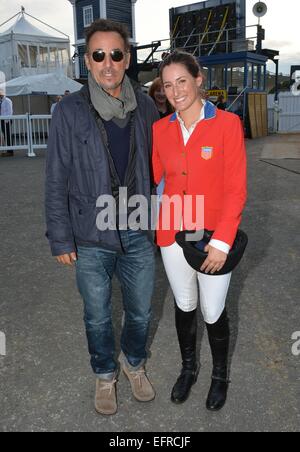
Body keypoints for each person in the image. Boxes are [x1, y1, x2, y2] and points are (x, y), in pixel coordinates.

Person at [45, 19, 159, 416]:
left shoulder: (145, 105)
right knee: (96, 316)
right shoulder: (68, 110)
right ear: (87, 61)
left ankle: (133, 364)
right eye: (98, 55)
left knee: (141, 310)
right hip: (90, 233)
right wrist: (60, 238)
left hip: (137, 229)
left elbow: (157, 167)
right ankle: (105, 374)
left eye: (115, 54)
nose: (107, 63)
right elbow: (56, 175)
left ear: (126, 59)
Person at [152, 51, 247, 411]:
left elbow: (236, 188)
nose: (175, 91)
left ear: (198, 79)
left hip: (213, 238)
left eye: (181, 82)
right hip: (173, 235)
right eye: (167, 85)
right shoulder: (160, 129)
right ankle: (189, 369)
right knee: (184, 303)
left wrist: (222, 241)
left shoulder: (227, 124)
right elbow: (157, 179)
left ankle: (220, 375)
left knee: (211, 309)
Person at [0, 90, 14, 157]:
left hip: (6, 120)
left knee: (8, 135)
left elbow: (10, 111)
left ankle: (10, 151)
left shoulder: (7, 100)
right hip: (2, 120)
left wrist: (7, 120)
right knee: (5, 135)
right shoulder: (2, 101)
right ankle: (7, 150)